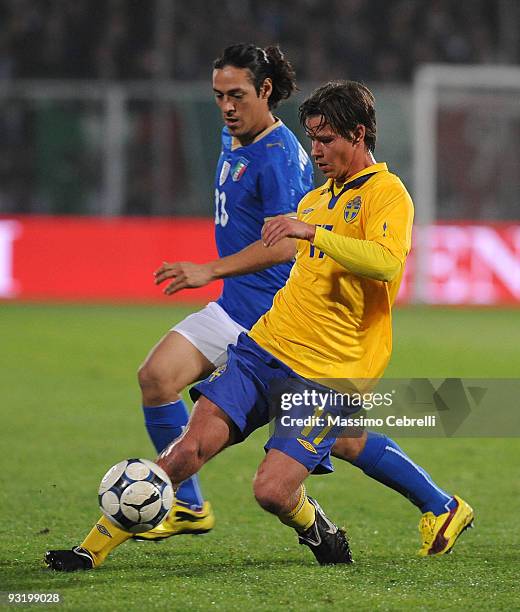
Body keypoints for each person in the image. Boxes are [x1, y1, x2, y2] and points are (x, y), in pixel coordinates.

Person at [46, 80, 474, 570]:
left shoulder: (387, 194)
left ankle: (323, 526)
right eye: (311, 138)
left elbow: (383, 262)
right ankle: (89, 552)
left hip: (328, 372)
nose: (316, 150)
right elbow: (294, 258)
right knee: (187, 451)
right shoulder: (316, 199)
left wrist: (313, 231)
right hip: (263, 347)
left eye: (326, 138)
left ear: (359, 135)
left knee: (272, 491)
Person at [44, 43, 313, 571]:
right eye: (218, 97)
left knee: (346, 440)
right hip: (234, 305)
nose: (226, 107)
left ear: (265, 91)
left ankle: (435, 502)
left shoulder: (280, 156)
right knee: (156, 376)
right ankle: (187, 505)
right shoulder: (234, 133)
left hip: (272, 320)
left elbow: (287, 244)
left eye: (236, 95)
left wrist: (208, 269)